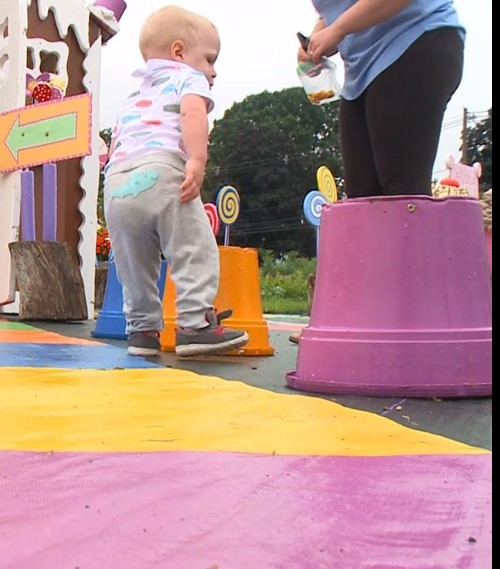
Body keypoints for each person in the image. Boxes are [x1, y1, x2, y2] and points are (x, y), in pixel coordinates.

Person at [291, 0, 465, 343]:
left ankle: (417, 327)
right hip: (363, 68)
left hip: (414, 39)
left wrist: (338, 30)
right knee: (363, 202)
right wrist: (317, 37)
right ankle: (365, 323)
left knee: (401, 192)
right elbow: (334, 9)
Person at [102, 6, 248, 357]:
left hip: (117, 184)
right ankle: (195, 323)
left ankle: (142, 332)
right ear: (179, 52)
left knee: (133, 262)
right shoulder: (186, 77)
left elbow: (114, 145)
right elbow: (192, 113)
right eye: (210, 59)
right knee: (192, 245)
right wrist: (196, 160)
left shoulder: (131, 98)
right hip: (162, 169)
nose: (213, 71)